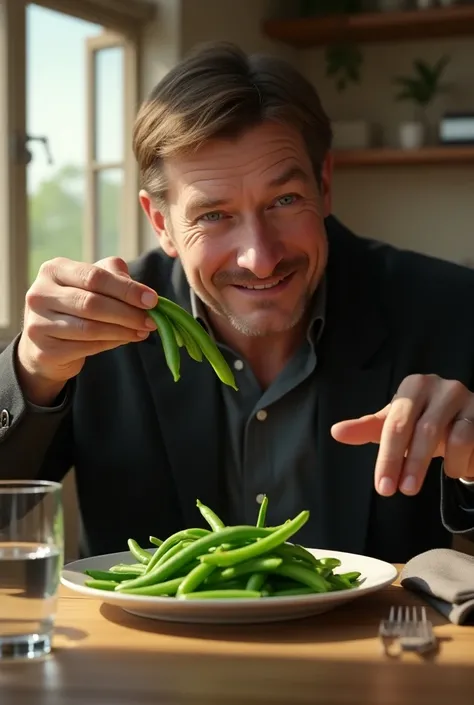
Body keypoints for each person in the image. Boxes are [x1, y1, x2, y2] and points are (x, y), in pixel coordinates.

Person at [1, 42, 474, 564]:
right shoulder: (96, 328)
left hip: (372, 646)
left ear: (325, 185)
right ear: (161, 224)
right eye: (213, 215)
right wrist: (31, 373)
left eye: (285, 201)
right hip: (150, 649)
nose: (261, 258)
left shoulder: (451, 309)